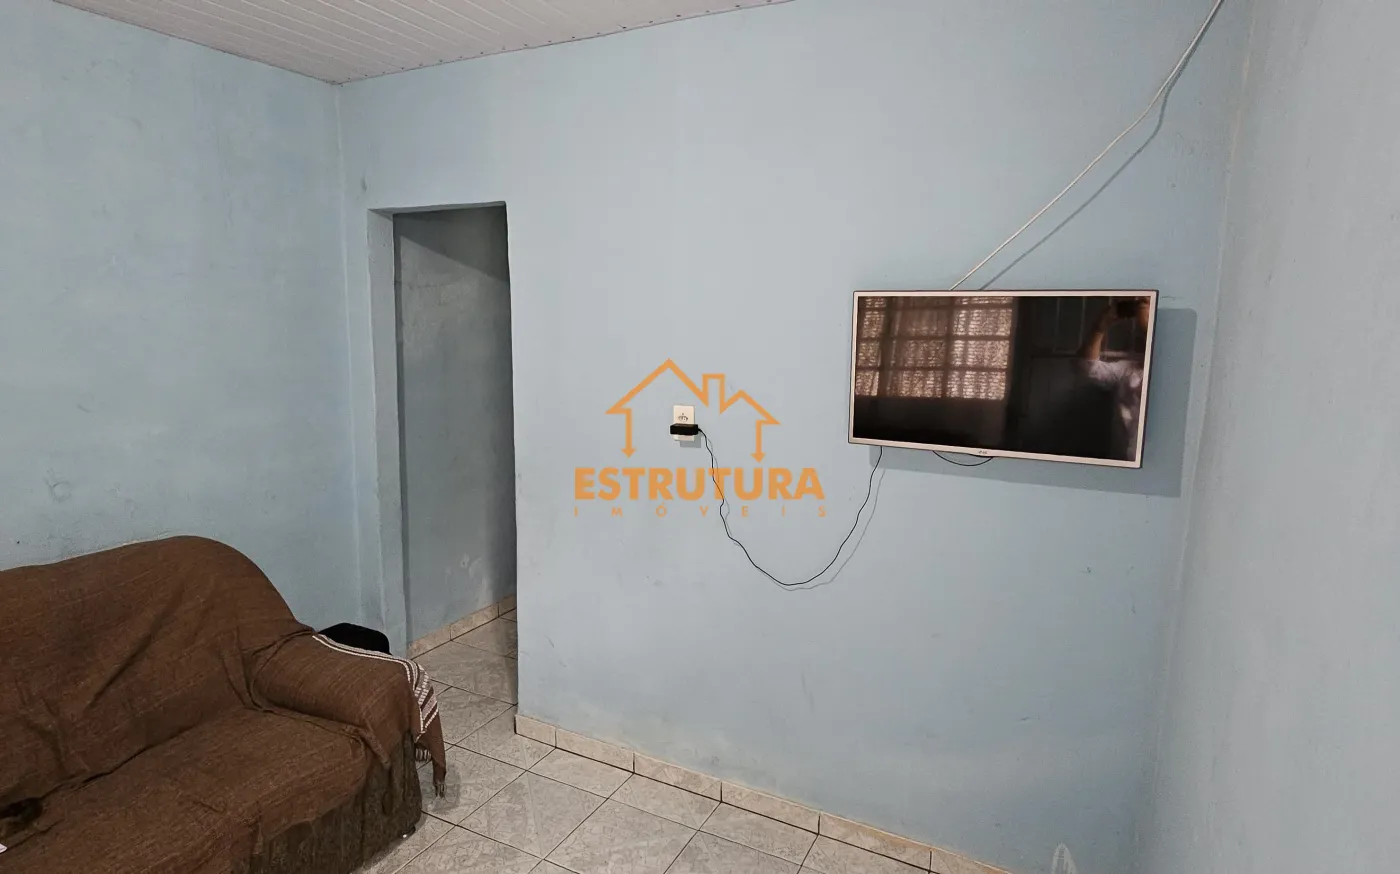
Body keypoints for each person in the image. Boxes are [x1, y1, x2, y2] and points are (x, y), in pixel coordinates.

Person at [1078, 297, 1150, 461]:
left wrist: (1148, 326)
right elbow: (1087, 368)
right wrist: (1099, 328)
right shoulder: (1129, 368)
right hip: (1121, 460)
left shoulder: (1179, 367)